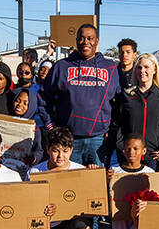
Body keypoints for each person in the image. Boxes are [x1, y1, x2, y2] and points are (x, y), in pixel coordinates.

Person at [40, 23, 121, 167]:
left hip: (99, 139)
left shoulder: (111, 68)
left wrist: (113, 129)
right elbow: (43, 98)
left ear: (97, 42)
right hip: (68, 139)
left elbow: (121, 102)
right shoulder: (61, 66)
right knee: (68, 185)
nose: (86, 42)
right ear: (76, 40)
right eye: (82, 38)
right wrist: (51, 126)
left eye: (90, 39)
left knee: (97, 184)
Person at [106, 53, 159, 171]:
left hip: (153, 157)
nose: (142, 71)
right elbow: (117, 124)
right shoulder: (127, 95)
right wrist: (121, 147)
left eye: (146, 67)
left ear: (154, 70)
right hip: (129, 156)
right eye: (139, 67)